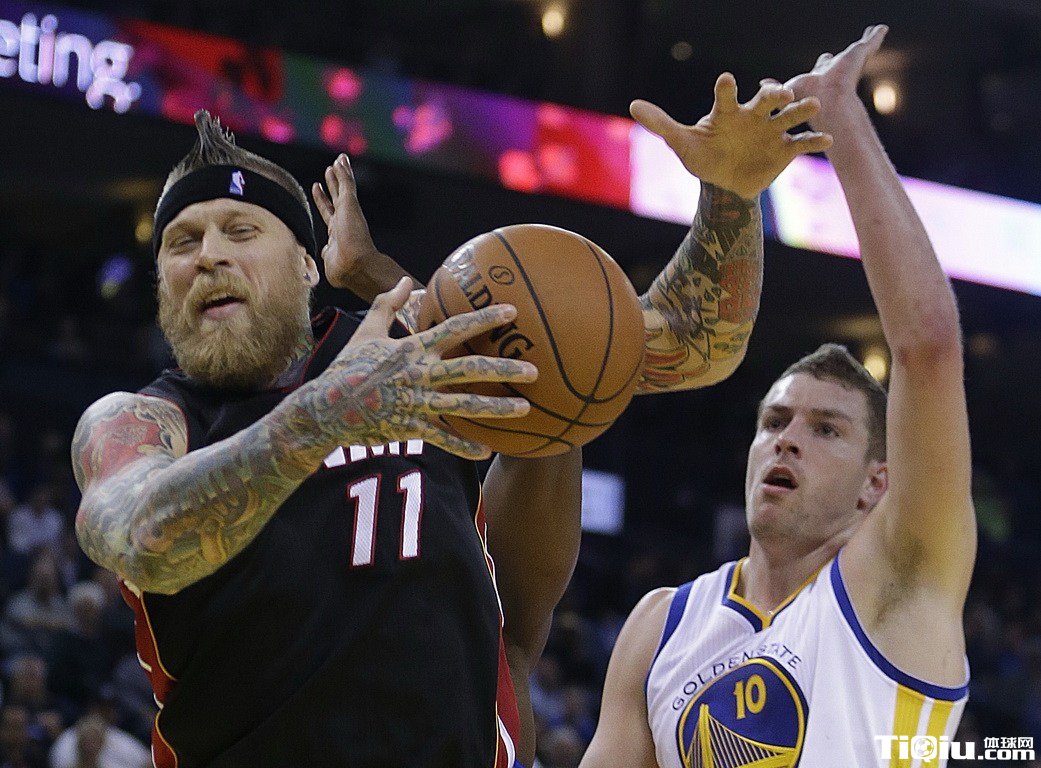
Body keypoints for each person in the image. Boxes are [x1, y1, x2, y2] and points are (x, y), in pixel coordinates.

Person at [71, 66, 828, 767]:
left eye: (240, 231)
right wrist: (323, 417)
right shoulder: (141, 423)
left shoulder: (412, 349)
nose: (208, 256)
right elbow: (139, 539)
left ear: (305, 265)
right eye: (182, 242)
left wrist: (731, 193)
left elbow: (691, 345)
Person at [579, 26, 975, 768]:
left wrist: (839, 118)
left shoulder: (900, 578)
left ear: (876, 485)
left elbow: (926, 349)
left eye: (826, 429)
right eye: (774, 421)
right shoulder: (662, 625)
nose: (786, 438)